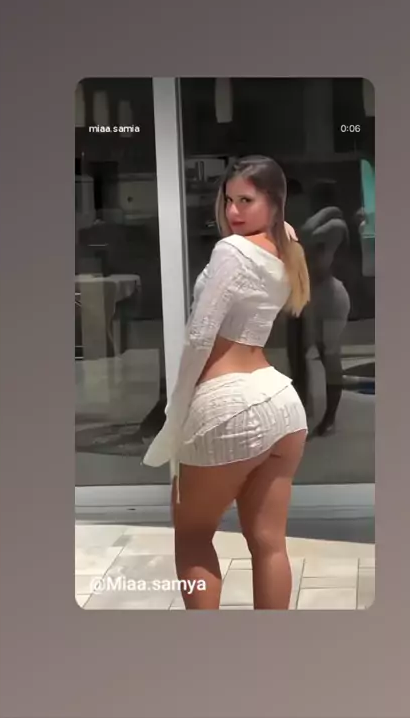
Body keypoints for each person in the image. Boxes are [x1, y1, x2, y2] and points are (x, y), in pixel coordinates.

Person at [142, 155, 310, 610]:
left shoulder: (232, 251)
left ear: (274, 201)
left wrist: (177, 411)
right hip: (281, 404)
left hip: (228, 403)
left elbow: (200, 335)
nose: (234, 211)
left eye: (246, 200)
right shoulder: (286, 245)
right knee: (269, 543)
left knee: (193, 537)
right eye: (229, 199)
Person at [297, 179, 350, 437]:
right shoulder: (323, 223)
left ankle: (330, 417)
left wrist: (329, 210)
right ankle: (320, 412)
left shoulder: (335, 225)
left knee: (330, 354)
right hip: (315, 296)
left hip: (331, 296)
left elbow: (305, 233)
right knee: (318, 350)